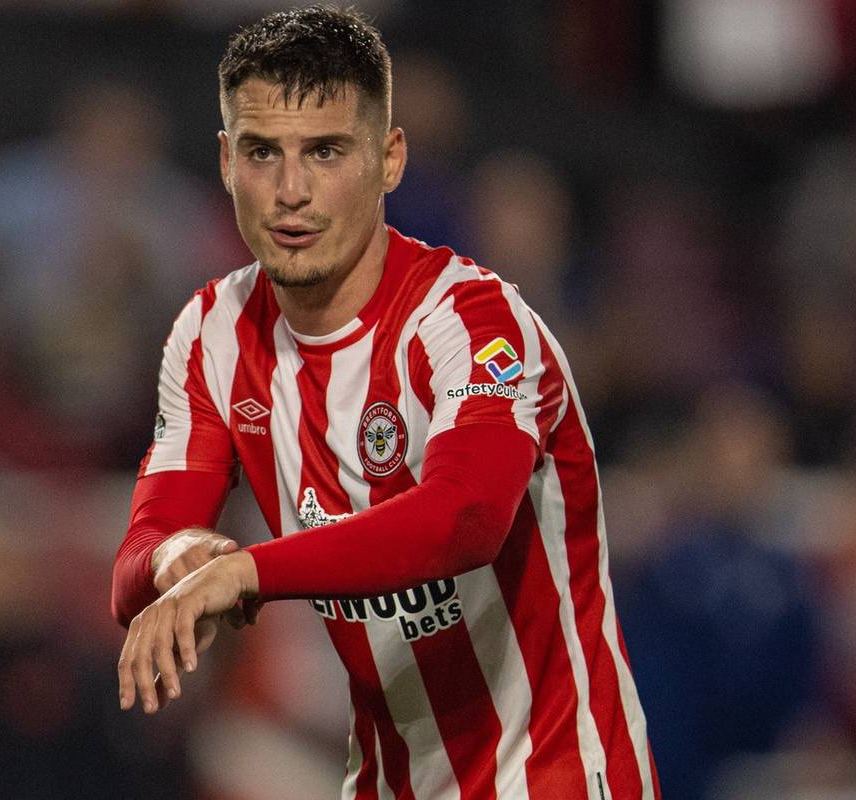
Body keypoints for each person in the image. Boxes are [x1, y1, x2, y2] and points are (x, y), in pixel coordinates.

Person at [111, 6, 660, 798]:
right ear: (228, 163)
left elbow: (465, 518)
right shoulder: (211, 335)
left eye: (326, 152)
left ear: (389, 159)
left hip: (556, 777)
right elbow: (140, 556)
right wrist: (178, 561)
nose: (291, 192)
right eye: (264, 153)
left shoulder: (475, 323)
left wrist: (246, 575)